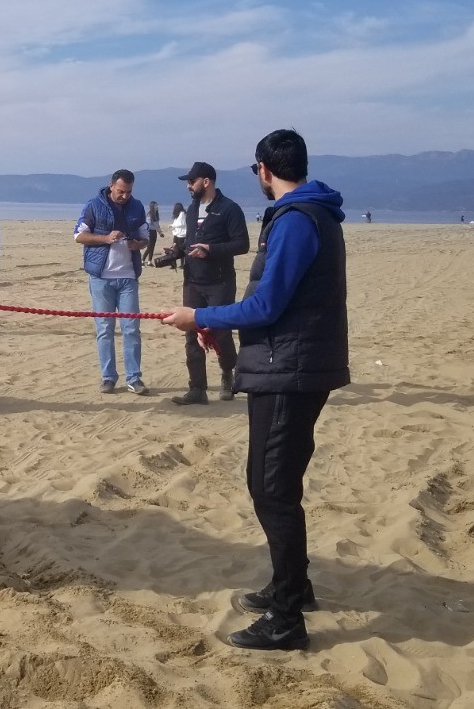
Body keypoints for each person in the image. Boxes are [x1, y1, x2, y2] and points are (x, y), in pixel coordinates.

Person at [160, 129, 349, 652]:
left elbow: (267, 305)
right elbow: (273, 301)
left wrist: (199, 315)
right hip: (291, 365)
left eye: (255, 170)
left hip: (290, 369)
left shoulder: (297, 219)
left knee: (271, 488)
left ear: (265, 169)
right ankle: (294, 585)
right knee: (274, 482)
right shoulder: (313, 213)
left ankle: (288, 618)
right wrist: (213, 322)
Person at [171, 161, 250, 406]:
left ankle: (228, 373)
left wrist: (211, 250)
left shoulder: (229, 209)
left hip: (220, 283)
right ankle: (197, 389)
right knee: (191, 333)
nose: (188, 186)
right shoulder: (192, 209)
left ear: (206, 182)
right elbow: (191, 243)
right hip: (192, 281)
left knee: (220, 332)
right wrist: (177, 251)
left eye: (191, 181)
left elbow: (242, 244)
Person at [74, 170, 150, 395]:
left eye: (128, 192)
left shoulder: (137, 206)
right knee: (105, 329)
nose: (124, 196)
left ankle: (134, 378)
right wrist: (105, 238)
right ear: (110, 186)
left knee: (131, 329)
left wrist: (140, 244)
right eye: (120, 191)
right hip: (101, 278)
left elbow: (145, 235)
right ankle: (108, 377)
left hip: (128, 278)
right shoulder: (93, 206)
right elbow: (78, 236)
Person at [167, 203, 187, 269]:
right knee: (174, 248)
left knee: (181, 249)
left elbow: (181, 224)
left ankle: (182, 264)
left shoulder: (182, 214)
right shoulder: (177, 215)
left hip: (181, 234)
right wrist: (171, 225)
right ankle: (173, 264)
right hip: (176, 233)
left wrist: (172, 225)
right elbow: (176, 222)